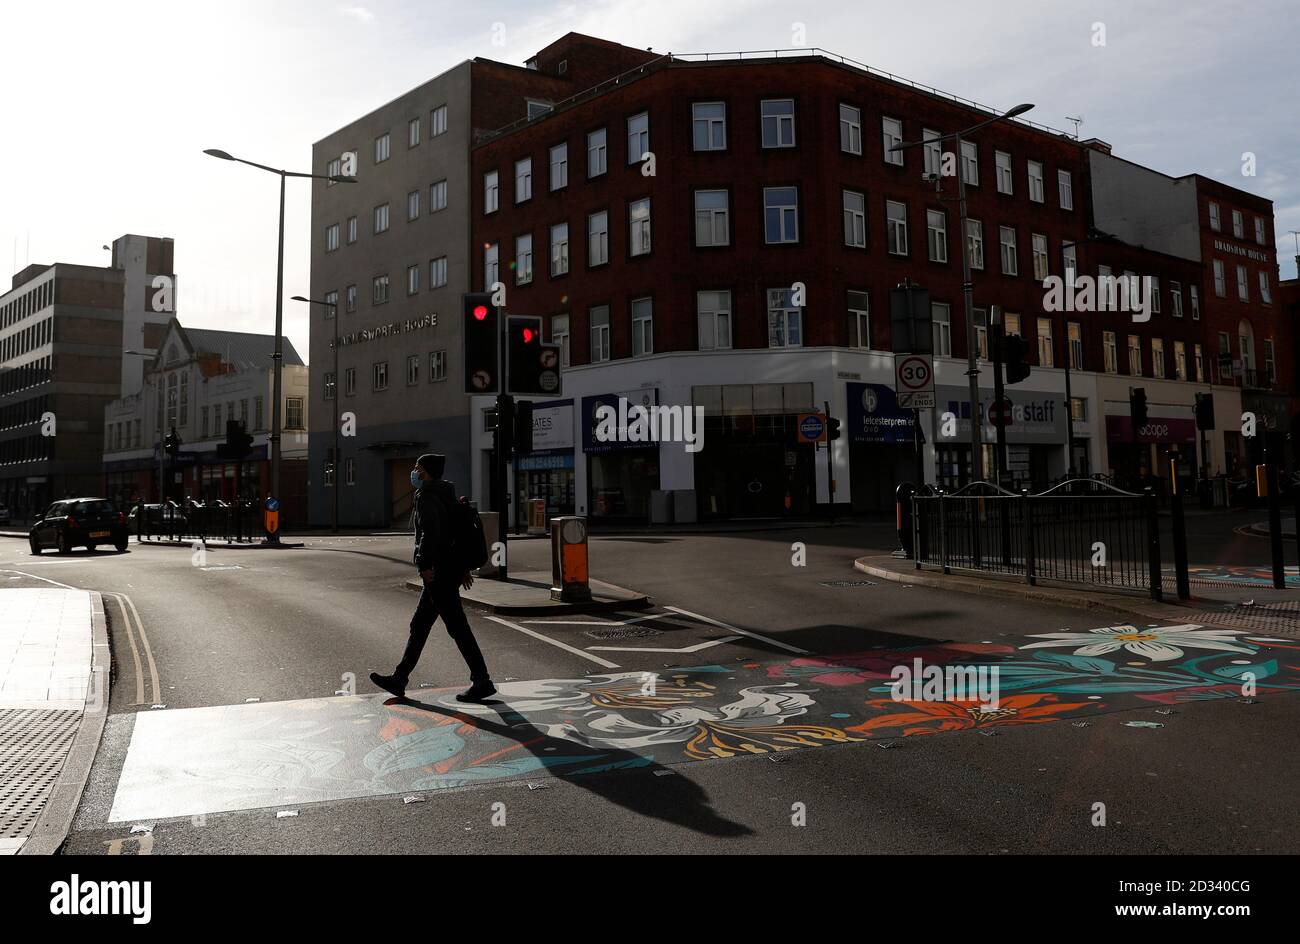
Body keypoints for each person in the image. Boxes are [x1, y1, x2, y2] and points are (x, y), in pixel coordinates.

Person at [371, 454, 495, 703]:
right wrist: (462, 568)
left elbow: (432, 533)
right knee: (420, 625)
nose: (414, 472)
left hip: (438, 572)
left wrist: (425, 564)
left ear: (426, 471)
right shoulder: (446, 492)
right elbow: (455, 533)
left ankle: (482, 680)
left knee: (457, 627)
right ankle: (400, 678)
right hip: (447, 570)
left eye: (417, 467)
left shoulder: (428, 496)